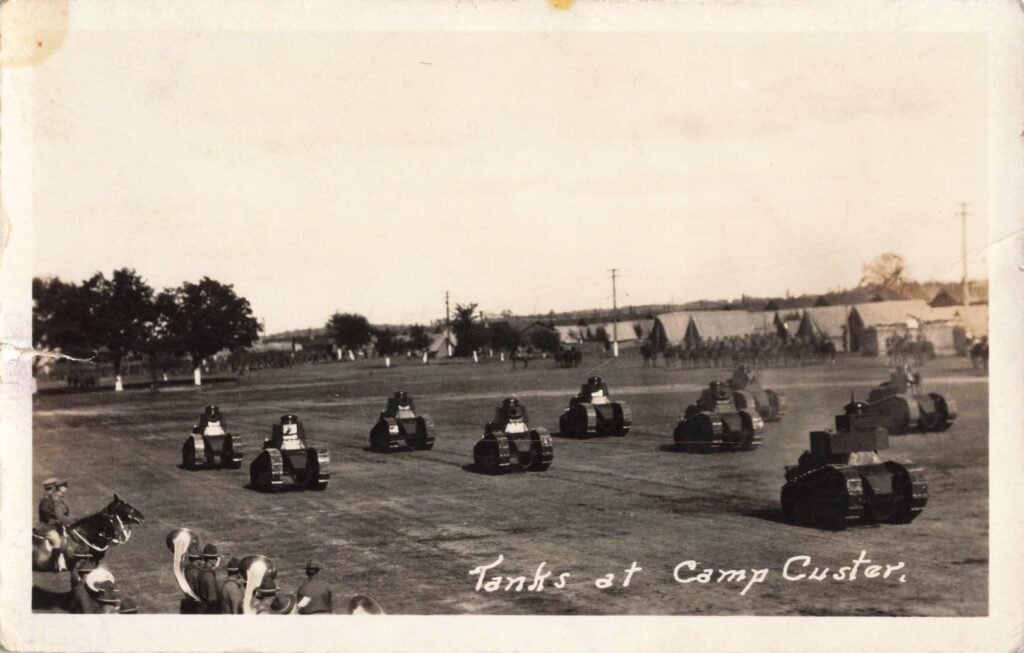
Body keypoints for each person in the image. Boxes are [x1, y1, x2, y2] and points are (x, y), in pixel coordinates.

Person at [180, 542, 204, 614]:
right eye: (201, 559)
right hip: (195, 605)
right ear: (198, 559)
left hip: (188, 603)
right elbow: (199, 589)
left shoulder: (186, 569)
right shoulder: (195, 572)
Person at [198, 544, 222, 613]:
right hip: (209, 610)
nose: (216, 560)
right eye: (216, 558)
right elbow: (212, 599)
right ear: (212, 560)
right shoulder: (209, 575)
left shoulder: (201, 571)